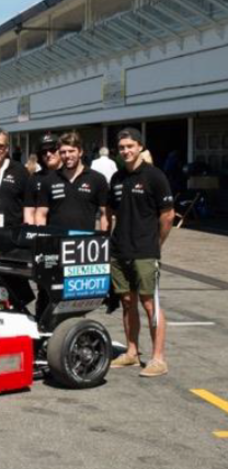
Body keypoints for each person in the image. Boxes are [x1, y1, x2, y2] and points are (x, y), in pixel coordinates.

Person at [107, 127, 174, 378]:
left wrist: (156, 244)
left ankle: (158, 359)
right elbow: (111, 212)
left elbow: (167, 215)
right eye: (122, 147)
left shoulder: (154, 176)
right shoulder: (117, 178)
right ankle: (132, 353)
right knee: (127, 302)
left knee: (149, 304)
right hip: (119, 250)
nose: (126, 151)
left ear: (139, 147)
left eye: (130, 146)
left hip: (145, 251)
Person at [35, 132, 109, 232]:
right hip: (56, 239)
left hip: (84, 240)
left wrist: (104, 237)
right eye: (63, 152)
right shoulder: (48, 180)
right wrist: (41, 237)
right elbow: (41, 214)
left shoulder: (97, 179)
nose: (67, 155)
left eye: (71, 151)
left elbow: (104, 214)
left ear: (80, 152)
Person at [23, 134, 62, 225]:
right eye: (44, 152)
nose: (48, 154)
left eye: (52, 150)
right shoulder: (34, 179)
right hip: (42, 230)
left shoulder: (69, 177)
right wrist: (31, 231)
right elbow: (29, 212)